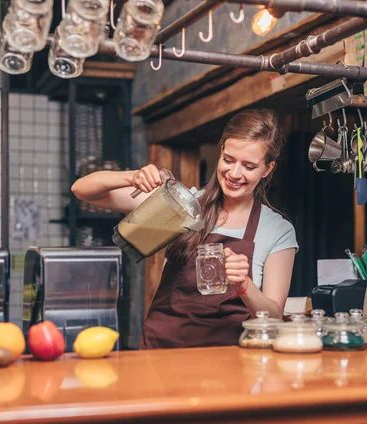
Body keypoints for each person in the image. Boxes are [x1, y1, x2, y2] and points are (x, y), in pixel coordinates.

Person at [71, 108, 298, 349]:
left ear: (267, 169)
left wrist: (244, 286)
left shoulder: (277, 231)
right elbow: (82, 190)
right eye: (228, 160)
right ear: (220, 151)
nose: (234, 173)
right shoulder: (181, 204)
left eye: (249, 166)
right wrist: (132, 177)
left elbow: (273, 318)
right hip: (160, 356)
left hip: (225, 366)